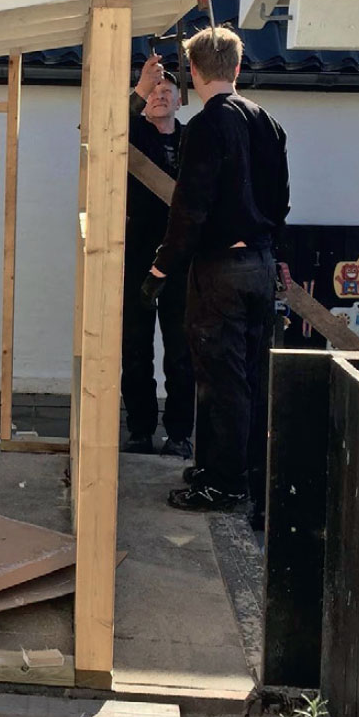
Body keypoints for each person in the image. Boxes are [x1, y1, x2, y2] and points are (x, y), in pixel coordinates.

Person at [141, 26, 289, 513]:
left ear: (194, 71)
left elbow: (190, 209)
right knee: (248, 376)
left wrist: (161, 269)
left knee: (219, 379)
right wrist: (276, 256)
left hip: (220, 267)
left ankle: (223, 484)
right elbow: (281, 203)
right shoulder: (268, 123)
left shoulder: (205, 126)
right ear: (238, 67)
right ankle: (231, 472)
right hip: (260, 263)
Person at [121, 53, 194, 458]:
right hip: (137, 255)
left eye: (168, 91)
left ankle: (180, 433)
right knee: (136, 348)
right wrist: (139, 89)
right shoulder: (131, 134)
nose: (160, 96)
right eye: (154, 92)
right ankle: (140, 429)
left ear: (180, 100)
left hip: (182, 259)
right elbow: (109, 128)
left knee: (182, 351)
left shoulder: (193, 139)